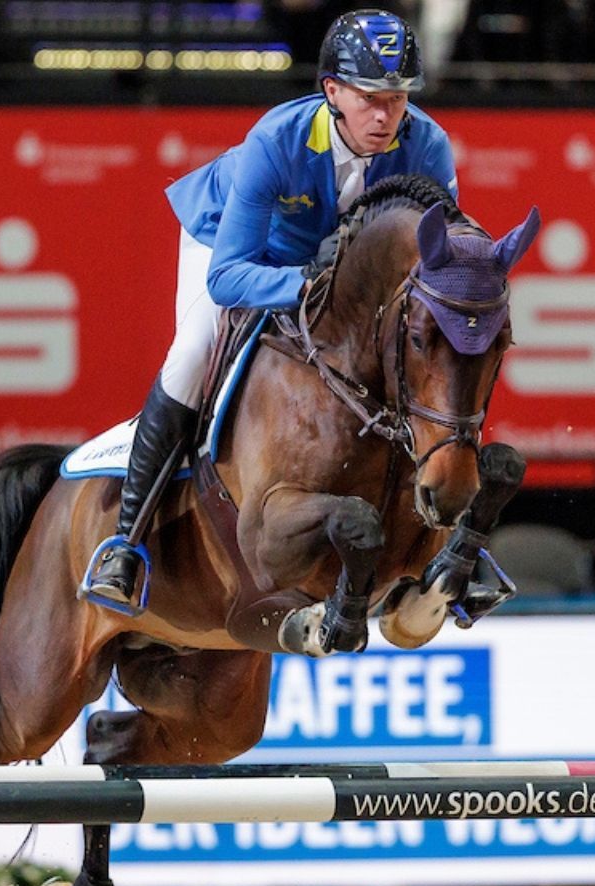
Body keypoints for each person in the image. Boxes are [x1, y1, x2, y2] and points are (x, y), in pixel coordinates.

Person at [82, 7, 459, 613]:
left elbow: (434, 261)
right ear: (332, 91)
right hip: (232, 245)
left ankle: (453, 544)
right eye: (369, 98)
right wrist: (312, 284)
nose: (385, 115)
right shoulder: (277, 140)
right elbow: (228, 277)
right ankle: (125, 544)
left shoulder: (427, 145)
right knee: (194, 352)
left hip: (330, 268)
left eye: (398, 98)